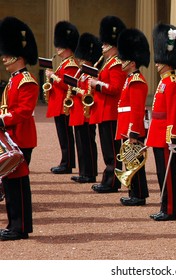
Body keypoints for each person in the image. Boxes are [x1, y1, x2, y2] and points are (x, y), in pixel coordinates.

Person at [0, 16, 38, 240]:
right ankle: (14, 224)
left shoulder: (27, 81)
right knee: (10, 182)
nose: (4, 59)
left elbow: (23, 111)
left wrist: (3, 120)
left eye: (7, 55)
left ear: (18, 57)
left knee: (18, 184)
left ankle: (20, 227)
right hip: (11, 136)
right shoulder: (14, 79)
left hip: (21, 137)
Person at [146, 23, 176, 220]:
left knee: (168, 175)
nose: (157, 63)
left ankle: (169, 209)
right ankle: (164, 206)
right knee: (161, 173)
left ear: (168, 61)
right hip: (157, 132)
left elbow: (173, 113)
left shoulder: (172, 83)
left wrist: (172, 137)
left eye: (161, 60)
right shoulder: (163, 81)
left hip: (166, 135)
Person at [89, 16, 126, 193]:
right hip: (103, 111)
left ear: (112, 45)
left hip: (111, 111)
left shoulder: (116, 63)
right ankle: (108, 179)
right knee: (107, 149)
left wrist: (97, 84)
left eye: (104, 44)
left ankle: (112, 181)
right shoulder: (107, 63)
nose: (102, 47)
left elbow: (115, 88)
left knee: (112, 150)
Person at [116, 28, 150, 206]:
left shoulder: (136, 81)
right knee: (131, 162)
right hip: (126, 126)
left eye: (123, 59)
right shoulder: (129, 79)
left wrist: (133, 132)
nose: (121, 62)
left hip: (132, 128)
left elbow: (136, 110)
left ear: (132, 61)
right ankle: (135, 192)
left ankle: (138, 195)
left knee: (135, 162)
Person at [68, 33, 102, 184]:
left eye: (82, 58)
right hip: (78, 113)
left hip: (86, 113)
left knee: (87, 143)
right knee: (80, 144)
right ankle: (84, 171)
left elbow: (91, 93)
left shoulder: (91, 74)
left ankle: (90, 173)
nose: (80, 61)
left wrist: (77, 91)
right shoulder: (81, 73)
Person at [46, 21, 79, 174]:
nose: (57, 49)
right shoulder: (64, 63)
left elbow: (69, 86)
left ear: (67, 48)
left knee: (66, 137)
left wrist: (53, 77)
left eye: (60, 46)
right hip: (58, 104)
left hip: (63, 105)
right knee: (63, 136)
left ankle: (67, 163)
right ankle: (65, 161)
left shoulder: (70, 64)